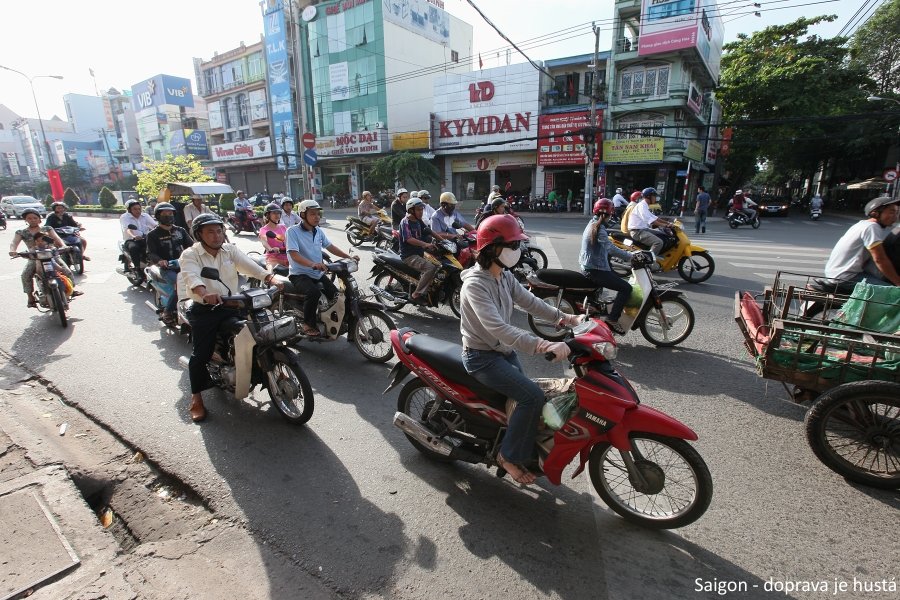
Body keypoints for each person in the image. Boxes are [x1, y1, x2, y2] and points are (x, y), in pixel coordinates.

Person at [459, 214, 581, 484]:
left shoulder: (504, 276)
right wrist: (544, 344)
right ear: (493, 249)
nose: (518, 251)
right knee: (532, 397)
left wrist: (566, 318)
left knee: (521, 400)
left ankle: (511, 440)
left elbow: (531, 302)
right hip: (481, 358)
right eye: (513, 246)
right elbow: (500, 329)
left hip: (501, 353)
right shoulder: (475, 286)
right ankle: (508, 456)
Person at [178, 214, 280, 422]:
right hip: (205, 308)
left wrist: (270, 277)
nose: (217, 236)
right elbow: (192, 276)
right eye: (210, 232)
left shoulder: (229, 250)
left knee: (261, 331)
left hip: (232, 303)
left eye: (219, 231)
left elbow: (248, 265)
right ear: (199, 234)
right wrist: (204, 292)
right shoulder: (190, 254)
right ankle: (196, 397)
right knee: (201, 354)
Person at [286, 200, 358, 336]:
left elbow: (330, 247)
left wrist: (349, 257)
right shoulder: (292, 231)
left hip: (317, 274)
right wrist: (313, 264)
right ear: (302, 214)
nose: (317, 217)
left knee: (337, 296)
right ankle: (308, 324)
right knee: (313, 293)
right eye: (312, 214)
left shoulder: (318, 231)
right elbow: (294, 255)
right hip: (300, 274)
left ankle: (339, 324)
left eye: (318, 214)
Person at [581, 199, 636, 335]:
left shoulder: (594, 223)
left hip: (592, 266)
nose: (612, 217)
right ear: (607, 214)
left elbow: (606, 246)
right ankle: (612, 319)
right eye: (611, 214)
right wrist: (630, 256)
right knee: (626, 288)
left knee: (618, 279)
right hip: (595, 270)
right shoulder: (598, 228)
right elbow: (610, 248)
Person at [9, 208, 82, 307]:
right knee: (25, 275)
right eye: (29, 218)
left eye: (35, 218)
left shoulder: (47, 229)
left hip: (51, 255)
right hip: (34, 258)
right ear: (25, 220)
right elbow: (14, 242)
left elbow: (57, 238)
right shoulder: (21, 232)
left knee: (67, 270)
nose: (32, 220)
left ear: (39, 219)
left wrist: (63, 246)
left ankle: (72, 290)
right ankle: (30, 298)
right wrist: (12, 250)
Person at [824, 196, 900, 287]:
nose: (895, 217)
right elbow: (880, 259)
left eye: (897, 212)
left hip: (836, 272)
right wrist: (898, 282)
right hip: (846, 277)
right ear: (875, 213)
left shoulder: (863, 224)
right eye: (891, 212)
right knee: (893, 293)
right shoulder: (872, 228)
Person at [146, 202, 192, 324]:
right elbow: (151, 253)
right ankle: (167, 311)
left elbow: (192, 246)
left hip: (184, 264)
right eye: (165, 213)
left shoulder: (180, 230)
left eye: (171, 213)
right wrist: (160, 261)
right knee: (180, 284)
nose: (168, 216)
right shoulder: (153, 234)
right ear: (158, 216)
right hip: (168, 269)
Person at [399, 197, 440, 305]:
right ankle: (416, 294)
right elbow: (409, 239)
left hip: (419, 253)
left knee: (439, 264)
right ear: (411, 210)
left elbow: (429, 231)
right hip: (409, 256)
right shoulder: (405, 222)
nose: (421, 212)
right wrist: (425, 244)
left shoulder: (418, 220)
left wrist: (443, 240)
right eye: (418, 209)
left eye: (422, 209)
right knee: (430, 268)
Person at [120, 199, 158, 283]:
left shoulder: (145, 216)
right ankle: (137, 269)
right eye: (135, 209)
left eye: (139, 208)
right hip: (131, 240)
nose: (138, 211)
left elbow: (155, 225)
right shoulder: (125, 217)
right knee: (134, 248)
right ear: (129, 210)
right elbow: (127, 229)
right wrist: (134, 236)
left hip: (145, 238)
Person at [628, 187, 673, 256]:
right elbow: (650, 220)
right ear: (649, 197)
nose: (655, 198)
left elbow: (655, 218)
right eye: (654, 196)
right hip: (637, 232)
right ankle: (649, 260)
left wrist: (667, 223)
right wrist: (665, 225)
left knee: (663, 234)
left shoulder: (645, 205)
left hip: (643, 229)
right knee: (658, 242)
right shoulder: (642, 206)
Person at [259, 203, 289, 270]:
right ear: (268, 215)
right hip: (273, 259)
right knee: (271, 275)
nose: (277, 215)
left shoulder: (283, 227)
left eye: (278, 213)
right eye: (274, 213)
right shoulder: (264, 230)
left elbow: (290, 240)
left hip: (288, 257)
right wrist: (270, 249)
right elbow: (264, 241)